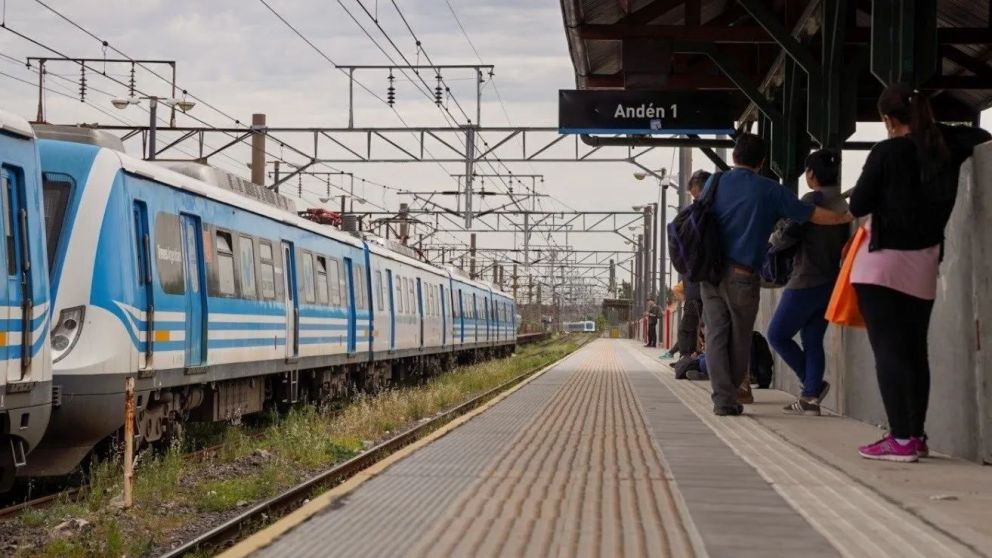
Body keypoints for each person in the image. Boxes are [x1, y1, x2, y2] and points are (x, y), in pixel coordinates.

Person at [849, 83, 990, 461]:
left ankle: (900, 438)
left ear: (888, 120)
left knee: (889, 352)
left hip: (882, 265)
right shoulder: (945, 146)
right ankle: (915, 435)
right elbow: (981, 136)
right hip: (925, 263)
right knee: (915, 352)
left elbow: (858, 203)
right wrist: (934, 129)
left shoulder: (887, 151)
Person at [701, 134, 853, 416]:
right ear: (762, 161)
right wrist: (847, 216)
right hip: (747, 275)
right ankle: (803, 393)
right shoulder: (771, 190)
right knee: (741, 337)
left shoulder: (714, 182)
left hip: (710, 272)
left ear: (734, 156)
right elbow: (809, 214)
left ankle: (723, 398)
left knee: (717, 334)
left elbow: (789, 233)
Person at [766, 150, 850, 416]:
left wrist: (773, 239)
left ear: (811, 174)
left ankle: (813, 386)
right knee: (812, 339)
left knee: (777, 334)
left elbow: (786, 237)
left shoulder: (811, 201)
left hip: (805, 279)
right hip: (831, 281)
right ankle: (810, 400)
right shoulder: (843, 204)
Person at [662, 170, 710, 360]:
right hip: (698, 286)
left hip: (701, 285)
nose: (696, 200)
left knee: (693, 328)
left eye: (697, 195)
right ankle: (691, 361)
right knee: (694, 328)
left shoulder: (702, 213)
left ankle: (692, 362)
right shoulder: (699, 214)